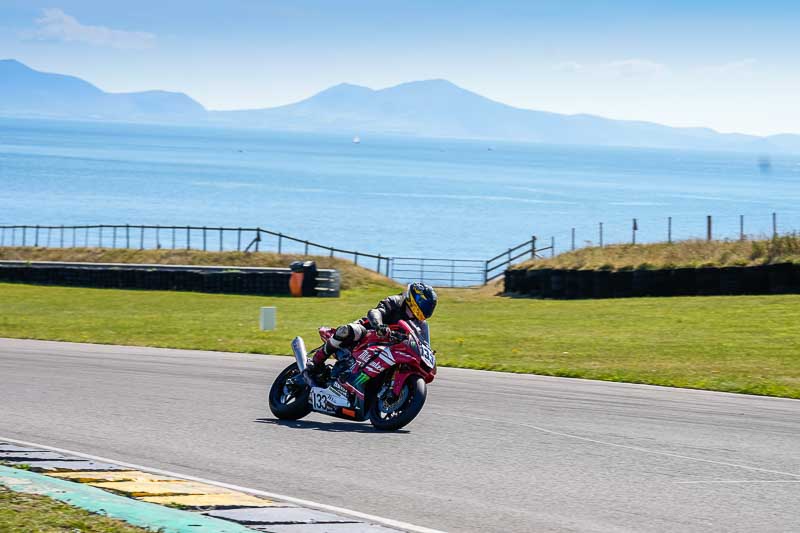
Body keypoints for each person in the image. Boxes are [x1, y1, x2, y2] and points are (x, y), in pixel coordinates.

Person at [307, 282, 437, 379]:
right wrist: (379, 326)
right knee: (350, 331)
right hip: (369, 333)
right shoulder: (395, 301)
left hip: (389, 347)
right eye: (425, 305)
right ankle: (316, 362)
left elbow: (422, 342)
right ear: (415, 300)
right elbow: (376, 312)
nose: (426, 310)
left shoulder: (420, 324)